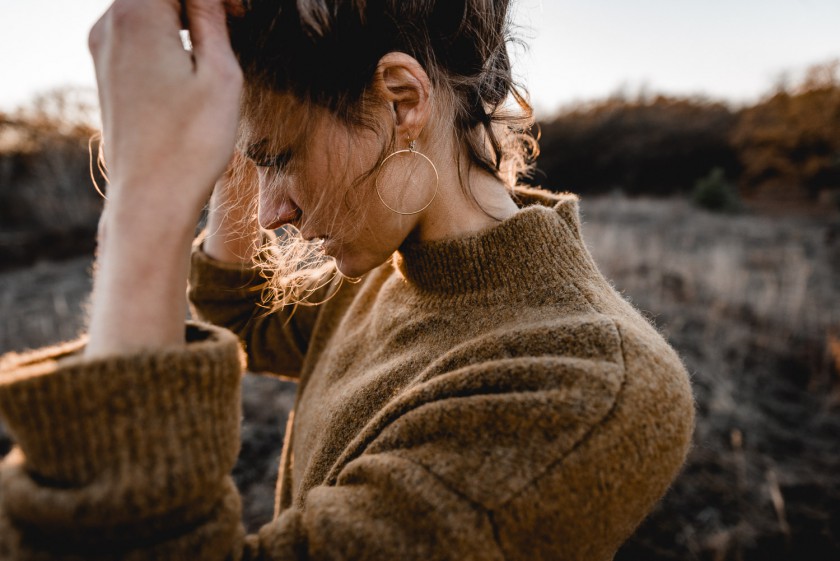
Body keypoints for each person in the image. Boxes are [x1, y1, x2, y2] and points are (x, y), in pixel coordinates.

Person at [0, 0, 696, 559]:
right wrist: (236, 108)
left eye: (280, 158)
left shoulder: (585, 381)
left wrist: (145, 205)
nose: (266, 215)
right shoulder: (386, 263)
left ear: (401, 101)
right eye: (255, 162)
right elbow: (241, 315)